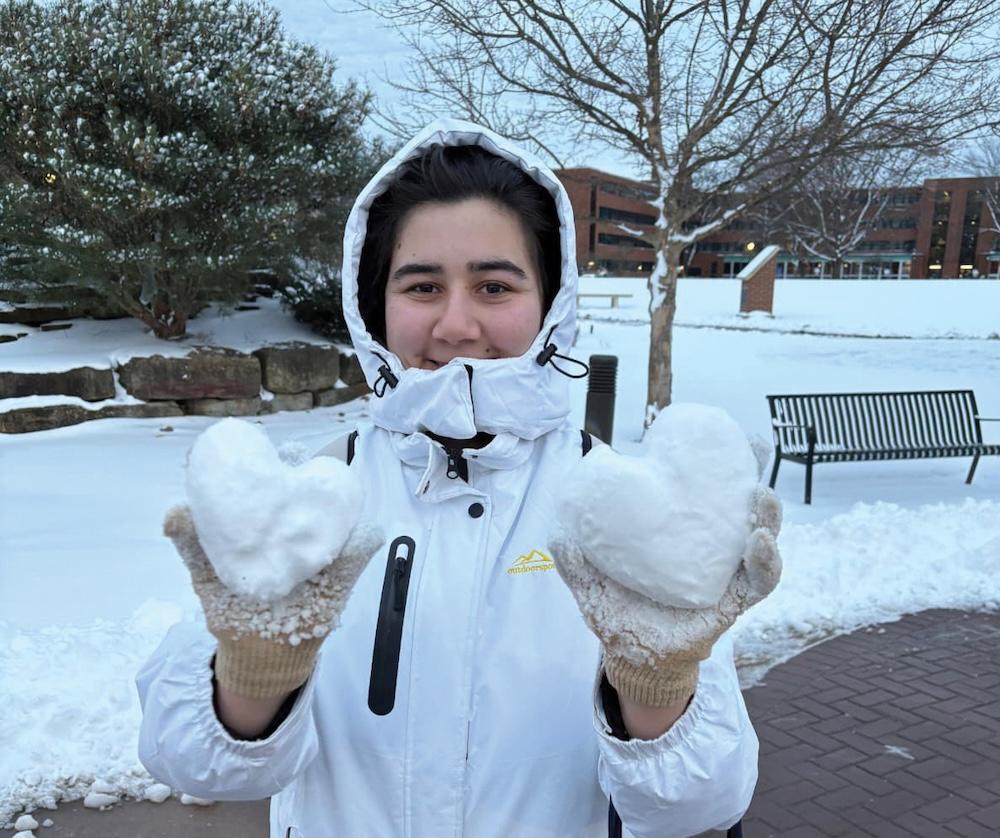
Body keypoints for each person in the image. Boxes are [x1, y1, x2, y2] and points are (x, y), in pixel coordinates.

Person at [137, 118, 782, 837]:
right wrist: (254, 673)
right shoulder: (315, 502)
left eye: (494, 286)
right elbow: (196, 767)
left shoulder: (622, 515)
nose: (455, 324)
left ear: (550, 305)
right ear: (373, 308)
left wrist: (657, 683)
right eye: (421, 286)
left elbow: (699, 807)